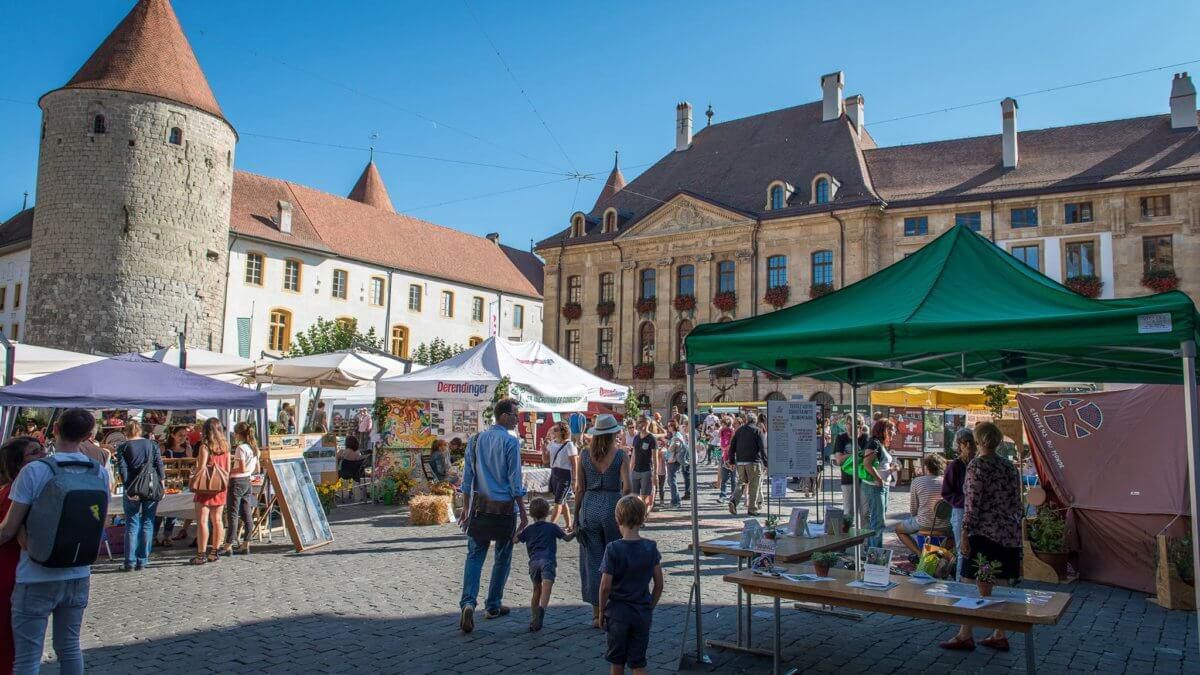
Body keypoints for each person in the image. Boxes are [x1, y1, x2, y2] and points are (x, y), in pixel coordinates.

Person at [0, 409, 110, 675]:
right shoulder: (99, 472)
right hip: (77, 571)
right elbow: (100, 522)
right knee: (69, 647)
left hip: (36, 573)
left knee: (27, 657)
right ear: (88, 436)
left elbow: (7, 530)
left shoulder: (35, 471)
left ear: (55, 429)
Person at [940, 422, 1023, 652]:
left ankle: (965, 634)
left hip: (982, 534)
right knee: (1002, 582)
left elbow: (972, 505)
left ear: (978, 442)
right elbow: (1017, 503)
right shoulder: (1009, 467)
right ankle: (999, 632)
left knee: (969, 582)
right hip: (1007, 534)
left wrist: (965, 533)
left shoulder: (977, 466)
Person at [458, 398, 528, 633]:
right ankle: (493, 604)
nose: (518, 419)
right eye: (515, 414)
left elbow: (467, 479)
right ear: (504, 416)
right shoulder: (510, 442)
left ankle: (468, 603)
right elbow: (514, 480)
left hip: (480, 507)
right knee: (502, 556)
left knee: (475, 555)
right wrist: (524, 512)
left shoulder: (476, 441)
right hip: (505, 508)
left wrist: (465, 510)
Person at [574, 414, 630, 629]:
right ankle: (610, 610)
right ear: (613, 433)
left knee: (592, 560)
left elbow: (579, 488)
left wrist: (577, 513)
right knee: (613, 559)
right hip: (613, 507)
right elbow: (627, 488)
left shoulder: (584, 455)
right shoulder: (620, 455)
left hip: (589, 506)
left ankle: (597, 613)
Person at [599, 495, 663, 675]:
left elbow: (605, 586)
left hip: (618, 613)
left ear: (617, 518)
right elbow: (659, 584)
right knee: (638, 663)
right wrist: (650, 606)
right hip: (641, 612)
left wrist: (601, 611)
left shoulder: (613, 549)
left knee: (617, 662)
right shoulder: (651, 547)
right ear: (643, 518)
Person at [0, 437, 47, 674]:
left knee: (9, 636)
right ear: (18, 462)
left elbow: (13, 534)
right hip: (8, 567)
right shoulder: (16, 488)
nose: (43, 455)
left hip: (13, 567)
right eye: (35, 452)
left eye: (42, 450)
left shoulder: (22, 488)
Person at [514, 496, 574, 631]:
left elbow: (515, 540)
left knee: (536, 590)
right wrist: (576, 531)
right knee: (547, 589)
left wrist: (520, 527)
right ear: (547, 513)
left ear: (532, 514)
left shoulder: (529, 529)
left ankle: (534, 615)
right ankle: (542, 609)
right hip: (548, 561)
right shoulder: (552, 527)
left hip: (534, 562)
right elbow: (567, 538)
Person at [116, 420, 164, 571]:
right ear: (140, 430)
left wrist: (128, 489)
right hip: (150, 487)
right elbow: (159, 464)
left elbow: (123, 470)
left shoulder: (123, 447)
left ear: (126, 432)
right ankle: (142, 560)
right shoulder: (152, 445)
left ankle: (129, 561)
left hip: (133, 488)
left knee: (132, 524)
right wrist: (162, 483)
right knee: (148, 522)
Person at [191, 418, 230, 565]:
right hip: (220, 486)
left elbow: (201, 468)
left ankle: (201, 554)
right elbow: (227, 469)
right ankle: (214, 551)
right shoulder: (225, 446)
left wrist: (193, 476)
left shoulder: (205, 447)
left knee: (202, 521)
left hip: (206, 487)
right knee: (218, 520)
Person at [895, 454, 947, 556]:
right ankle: (941, 553)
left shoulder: (917, 481)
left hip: (924, 523)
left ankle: (919, 554)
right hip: (946, 524)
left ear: (926, 467)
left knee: (898, 530)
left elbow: (913, 509)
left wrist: (916, 517)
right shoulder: (946, 481)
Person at [942, 428, 977, 579]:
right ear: (959, 445)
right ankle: (959, 583)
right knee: (962, 550)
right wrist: (964, 501)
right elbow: (946, 493)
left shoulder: (978, 463)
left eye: (971, 442)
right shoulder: (955, 466)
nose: (969, 445)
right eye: (965, 442)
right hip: (960, 511)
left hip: (978, 512)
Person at [223, 422, 259, 555]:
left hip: (237, 480)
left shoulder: (241, 448)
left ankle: (228, 545)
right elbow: (255, 468)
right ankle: (246, 543)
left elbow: (241, 467)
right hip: (247, 480)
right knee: (246, 513)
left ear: (238, 434)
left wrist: (228, 471)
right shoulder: (254, 448)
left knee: (233, 514)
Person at [860, 418, 895, 549]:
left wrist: (890, 470)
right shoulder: (874, 443)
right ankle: (875, 554)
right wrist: (879, 479)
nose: (893, 432)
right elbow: (867, 464)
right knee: (878, 522)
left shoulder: (879, 444)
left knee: (879, 521)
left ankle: (873, 550)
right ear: (883, 429)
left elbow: (879, 464)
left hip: (882, 486)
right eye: (890, 429)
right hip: (874, 487)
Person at [729, 413, 767, 516]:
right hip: (753, 462)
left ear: (746, 420)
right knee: (754, 485)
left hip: (740, 462)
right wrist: (766, 463)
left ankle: (733, 501)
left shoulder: (739, 430)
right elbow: (763, 448)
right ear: (755, 421)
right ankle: (752, 509)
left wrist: (731, 461)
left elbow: (732, 446)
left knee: (741, 483)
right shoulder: (758, 431)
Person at [161, 426, 193, 546]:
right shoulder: (164, 448)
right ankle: (154, 536)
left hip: (180, 484)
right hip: (165, 482)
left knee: (173, 510)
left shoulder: (187, 448)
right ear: (173, 435)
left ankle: (167, 536)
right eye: (180, 435)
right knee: (161, 510)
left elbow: (190, 465)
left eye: (185, 435)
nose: (183, 438)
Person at [543, 424, 578, 529]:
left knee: (558, 501)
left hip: (565, 475)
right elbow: (545, 460)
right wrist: (543, 448)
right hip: (554, 473)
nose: (553, 431)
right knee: (562, 501)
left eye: (555, 430)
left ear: (562, 432)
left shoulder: (569, 445)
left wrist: (575, 479)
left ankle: (550, 525)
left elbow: (574, 463)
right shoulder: (552, 443)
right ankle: (569, 524)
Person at [628, 419, 657, 512]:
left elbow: (655, 458)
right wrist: (630, 470)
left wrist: (655, 474)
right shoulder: (636, 438)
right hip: (635, 471)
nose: (640, 424)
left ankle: (642, 518)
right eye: (639, 422)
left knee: (644, 497)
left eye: (642, 422)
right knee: (634, 497)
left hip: (646, 471)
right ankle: (637, 517)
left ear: (647, 423)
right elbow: (633, 455)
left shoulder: (651, 438)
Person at [716, 416, 736, 503]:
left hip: (732, 457)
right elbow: (719, 436)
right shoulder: (723, 431)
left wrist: (728, 447)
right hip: (724, 456)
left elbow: (733, 442)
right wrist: (723, 448)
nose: (722, 426)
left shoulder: (732, 430)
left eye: (723, 424)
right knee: (724, 478)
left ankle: (733, 496)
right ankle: (722, 496)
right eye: (722, 424)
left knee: (733, 479)